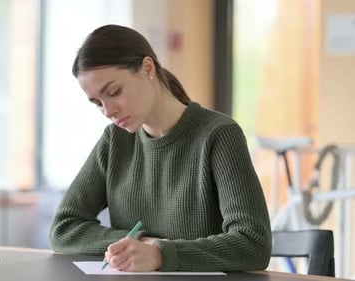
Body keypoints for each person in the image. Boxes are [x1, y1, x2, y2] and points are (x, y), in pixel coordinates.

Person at [49, 24, 271, 272]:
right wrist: (139, 243)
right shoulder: (115, 141)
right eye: (97, 103)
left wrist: (160, 254)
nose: (108, 111)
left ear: (147, 68)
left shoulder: (219, 135)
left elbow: (253, 243)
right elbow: (63, 228)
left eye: (114, 92)